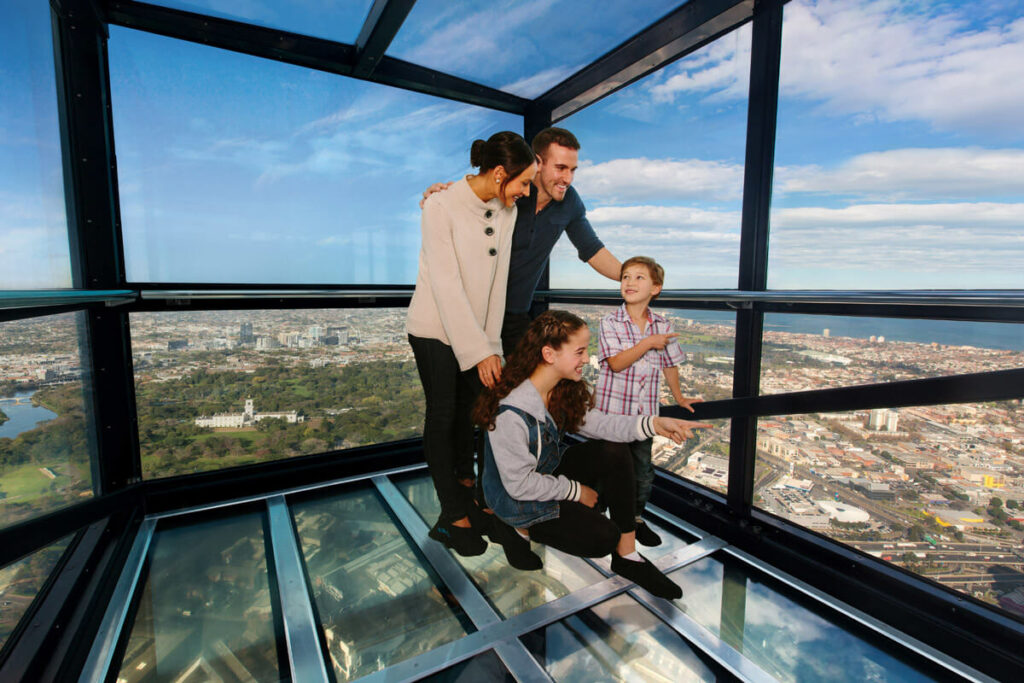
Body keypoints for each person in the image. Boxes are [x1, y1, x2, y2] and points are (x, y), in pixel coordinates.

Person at [474, 310, 711, 599]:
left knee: (613, 450)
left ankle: (627, 557)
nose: (587, 359)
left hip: (544, 473)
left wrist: (654, 424)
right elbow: (519, 485)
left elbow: (600, 425)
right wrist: (576, 491)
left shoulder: (560, 389)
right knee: (601, 538)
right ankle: (514, 525)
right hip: (517, 497)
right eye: (580, 351)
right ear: (549, 354)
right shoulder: (511, 411)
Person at [407, 131, 536, 558]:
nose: (526, 191)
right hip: (433, 328)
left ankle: (468, 497)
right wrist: (477, 350)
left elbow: (495, 287)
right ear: (500, 174)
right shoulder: (439, 205)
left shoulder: (507, 211)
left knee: (471, 417)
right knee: (443, 417)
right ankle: (453, 515)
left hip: (477, 333)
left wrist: (491, 345)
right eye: (523, 182)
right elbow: (445, 284)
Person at [423, 127, 621, 356]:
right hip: (475, 311)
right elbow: (468, 199)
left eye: (573, 170)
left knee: (528, 385)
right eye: (560, 168)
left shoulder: (570, 203)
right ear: (538, 162)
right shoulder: (508, 192)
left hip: (516, 314)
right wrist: (439, 194)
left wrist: (635, 277)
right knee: (473, 387)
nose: (567, 178)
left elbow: (592, 249)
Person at [596, 256, 703, 548]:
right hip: (612, 415)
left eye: (638, 278)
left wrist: (679, 397)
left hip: (644, 418)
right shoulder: (610, 322)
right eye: (625, 277)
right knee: (608, 468)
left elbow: (670, 364)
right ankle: (597, 516)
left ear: (655, 288)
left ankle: (634, 519)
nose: (629, 282)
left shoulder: (663, 325)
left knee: (642, 471)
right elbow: (616, 363)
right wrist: (646, 343)